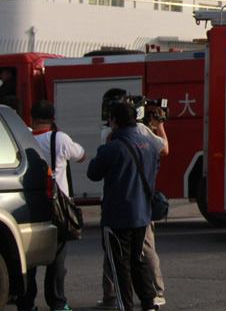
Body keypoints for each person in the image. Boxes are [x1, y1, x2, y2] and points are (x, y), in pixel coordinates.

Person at [96, 88, 168, 310]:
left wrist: (108, 143)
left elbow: (93, 172)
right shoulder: (148, 145)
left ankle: (124, 305)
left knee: (120, 266)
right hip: (142, 213)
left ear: (114, 121)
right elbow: (161, 156)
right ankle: (149, 301)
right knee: (139, 262)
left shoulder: (111, 146)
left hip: (117, 215)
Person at [17, 100, 85, 311]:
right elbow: (81, 156)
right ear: (53, 119)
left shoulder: (23, 135)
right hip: (58, 206)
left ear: (31, 117)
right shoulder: (60, 138)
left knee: (30, 258)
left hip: (31, 201)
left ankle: (26, 304)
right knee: (56, 260)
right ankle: (57, 303)